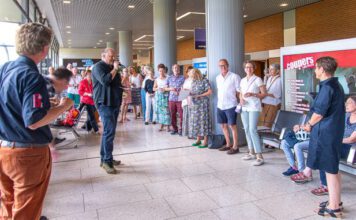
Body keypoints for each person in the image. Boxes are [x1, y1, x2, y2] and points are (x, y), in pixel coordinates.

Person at [0, 22, 73, 220]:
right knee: (26, 211)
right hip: (27, 154)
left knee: (8, 204)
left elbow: (12, 103)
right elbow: (34, 120)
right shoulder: (32, 76)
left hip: (5, 148)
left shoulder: (5, 69)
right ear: (44, 48)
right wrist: (63, 107)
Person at [299, 57, 345, 217]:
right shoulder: (335, 85)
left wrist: (309, 125)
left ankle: (334, 208)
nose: (314, 70)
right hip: (332, 133)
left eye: (316, 68)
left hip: (326, 134)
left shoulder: (327, 88)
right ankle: (336, 201)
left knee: (330, 170)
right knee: (333, 168)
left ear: (322, 70)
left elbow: (319, 113)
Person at [92, 48, 123, 174]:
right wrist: (115, 69)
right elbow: (105, 81)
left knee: (109, 133)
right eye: (111, 56)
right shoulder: (97, 67)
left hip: (114, 102)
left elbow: (116, 83)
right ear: (103, 56)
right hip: (104, 104)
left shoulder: (112, 67)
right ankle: (107, 161)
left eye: (114, 56)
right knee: (109, 132)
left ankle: (105, 158)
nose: (113, 58)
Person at [240, 60, 267, 166]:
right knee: (246, 129)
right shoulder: (242, 80)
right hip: (245, 107)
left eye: (250, 67)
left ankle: (259, 155)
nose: (248, 69)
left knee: (252, 130)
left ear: (254, 68)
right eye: (247, 67)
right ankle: (251, 152)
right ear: (244, 69)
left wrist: (253, 94)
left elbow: (264, 94)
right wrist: (241, 100)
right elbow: (240, 93)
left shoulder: (258, 79)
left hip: (254, 107)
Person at [216, 59, 241, 154]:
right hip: (220, 105)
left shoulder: (234, 76)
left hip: (231, 105)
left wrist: (240, 103)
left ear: (228, 65)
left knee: (232, 126)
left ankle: (235, 147)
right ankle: (228, 144)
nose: (222, 67)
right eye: (220, 66)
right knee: (223, 125)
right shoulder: (218, 77)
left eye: (224, 65)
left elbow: (239, 91)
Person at [45, 67, 73, 147]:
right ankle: (51, 141)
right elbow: (37, 118)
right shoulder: (47, 86)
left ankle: (51, 140)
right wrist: (63, 106)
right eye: (66, 84)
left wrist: (53, 103)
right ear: (63, 80)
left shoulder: (46, 83)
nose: (65, 88)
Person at [188, 69, 212, 148]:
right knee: (196, 122)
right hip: (195, 105)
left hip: (203, 105)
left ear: (196, 74)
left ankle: (205, 141)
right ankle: (198, 140)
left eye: (193, 76)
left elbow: (209, 92)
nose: (192, 77)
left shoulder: (205, 80)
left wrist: (199, 96)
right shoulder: (193, 81)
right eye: (191, 76)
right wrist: (188, 93)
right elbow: (192, 91)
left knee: (203, 122)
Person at [260, 64, 282, 128]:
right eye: (269, 69)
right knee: (263, 122)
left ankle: (268, 136)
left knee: (268, 124)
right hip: (266, 103)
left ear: (277, 71)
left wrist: (265, 93)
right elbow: (267, 89)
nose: (269, 70)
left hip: (273, 104)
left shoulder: (279, 79)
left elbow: (277, 95)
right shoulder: (269, 78)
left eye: (272, 69)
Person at [78, 70, 99, 134]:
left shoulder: (94, 82)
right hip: (86, 101)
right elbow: (80, 92)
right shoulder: (82, 82)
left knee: (90, 116)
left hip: (94, 101)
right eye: (89, 75)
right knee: (92, 116)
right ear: (86, 75)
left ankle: (86, 127)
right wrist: (87, 94)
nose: (90, 76)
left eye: (91, 75)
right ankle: (96, 130)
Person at [167, 64, 185, 135]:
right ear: (172, 69)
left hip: (180, 99)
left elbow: (185, 87)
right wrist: (171, 89)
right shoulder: (169, 78)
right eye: (175, 68)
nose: (176, 69)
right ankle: (175, 129)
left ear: (179, 69)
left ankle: (181, 129)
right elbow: (165, 88)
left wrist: (180, 92)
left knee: (181, 115)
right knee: (172, 114)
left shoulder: (183, 77)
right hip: (171, 99)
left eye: (177, 68)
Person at [154, 64, 171, 131]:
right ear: (158, 71)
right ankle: (161, 125)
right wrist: (158, 88)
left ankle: (168, 126)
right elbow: (153, 88)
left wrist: (165, 89)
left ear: (165, 70)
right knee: (160, 112)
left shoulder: (168, 78)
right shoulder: (157, 79)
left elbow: (170, 87)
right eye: (160, 71)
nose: (161, 72)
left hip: (166, 96)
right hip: (159, 97)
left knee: (166, 111)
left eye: (162, 70)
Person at [181, 68, 193, 138]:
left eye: (191, 72)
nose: (190, 73)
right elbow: (183, 91)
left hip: (192, 101)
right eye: (188, 72)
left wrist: (187, 90)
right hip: (185, 101)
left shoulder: (195, 80)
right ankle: (188, 133)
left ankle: (193, 133)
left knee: (192, 118)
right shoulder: (185, 80)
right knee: (186, 117)